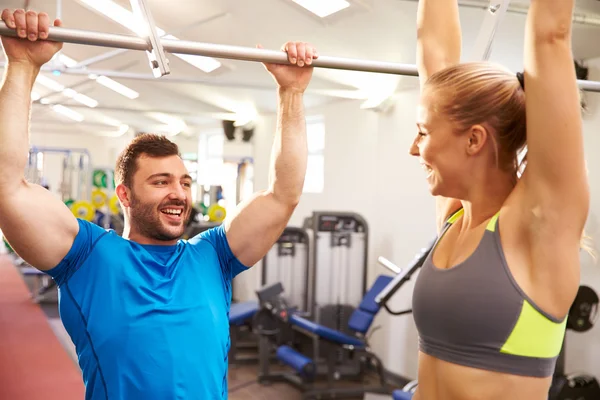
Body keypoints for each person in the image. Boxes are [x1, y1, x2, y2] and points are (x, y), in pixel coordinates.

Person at [0, 8, 317, 400]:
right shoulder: (87, 257)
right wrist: (22, 66)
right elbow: (7, 188)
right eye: (161, 181)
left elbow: (283, 194)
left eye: (184, 182)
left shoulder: (214, 255)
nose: (179, 193)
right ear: (125, 195)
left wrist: (292, 93)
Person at [409, 1, 589, 399]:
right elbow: (433, 50)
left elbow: (550, 34)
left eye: (422, 133)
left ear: (474, 139)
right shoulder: (455, 217)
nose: (412, 148)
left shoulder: (540, 221)